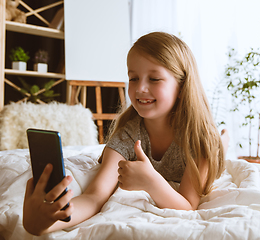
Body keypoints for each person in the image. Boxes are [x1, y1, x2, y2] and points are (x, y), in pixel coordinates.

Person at [23, 31, 229, 236]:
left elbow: (188, 205)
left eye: (155, 79)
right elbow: (95, 197)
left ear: (182, 86)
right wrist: (48, 222)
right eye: (133, 78)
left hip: (208, 136)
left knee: (219, 141)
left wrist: (151, 181)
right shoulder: (128, 134)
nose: (140, 88)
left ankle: (225, 137)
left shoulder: (201, 140)